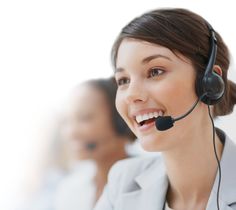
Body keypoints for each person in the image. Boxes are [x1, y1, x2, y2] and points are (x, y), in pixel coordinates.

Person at [93, 8, 236, 210]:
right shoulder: (123, 181)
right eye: (123, 80)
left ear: (209, 83)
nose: (132, 94)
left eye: (155, 71)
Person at [53, 77, 136, 210]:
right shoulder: (69, 189)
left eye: (85, 118)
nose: (71, 132)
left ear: (121, 121)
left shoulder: (156, 181)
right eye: (66, 120)